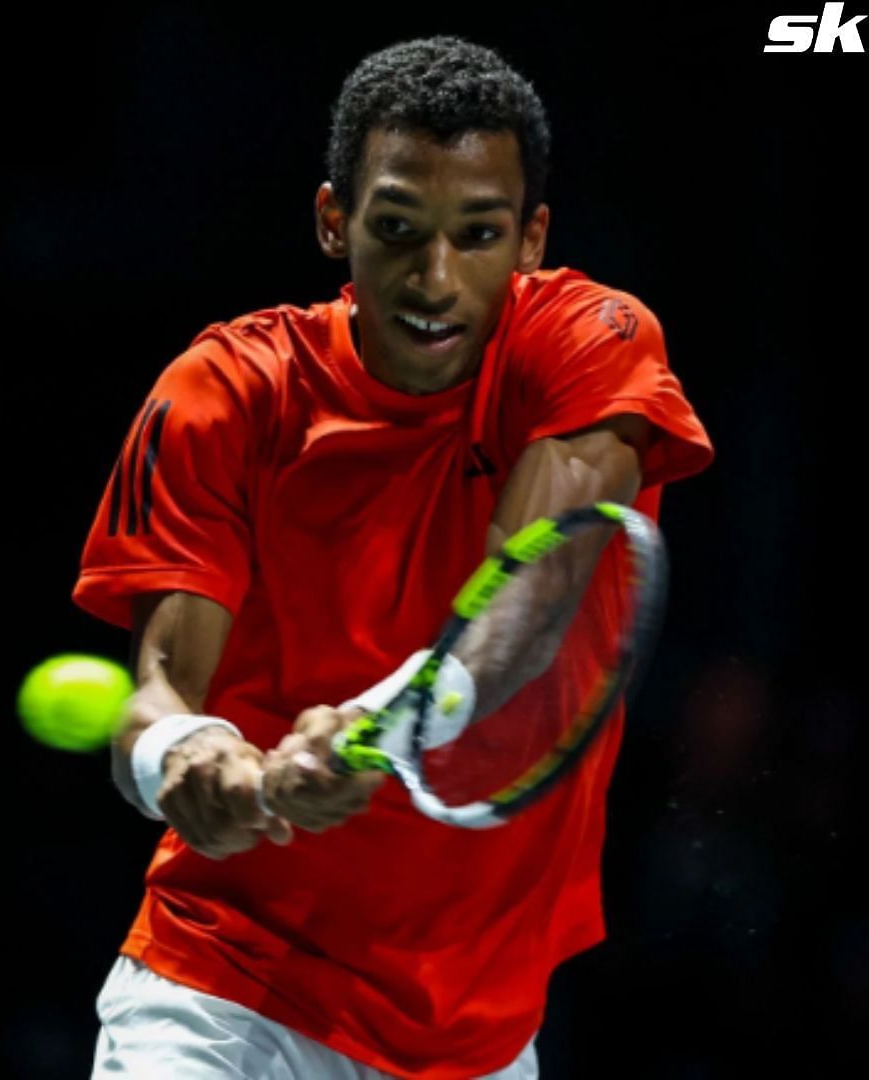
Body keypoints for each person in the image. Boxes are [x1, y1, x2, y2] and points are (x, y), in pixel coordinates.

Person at [74, 36, 713, 1079]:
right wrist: (186, 759)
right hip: (226, 990)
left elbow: (534, 592)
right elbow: (153, 695)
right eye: (399, 229)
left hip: (475, 1032)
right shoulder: (225, 392)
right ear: (335, 219)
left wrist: (379, 733)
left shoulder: (593, 343)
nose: (434, 277)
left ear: (531, 238)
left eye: (478, 235)